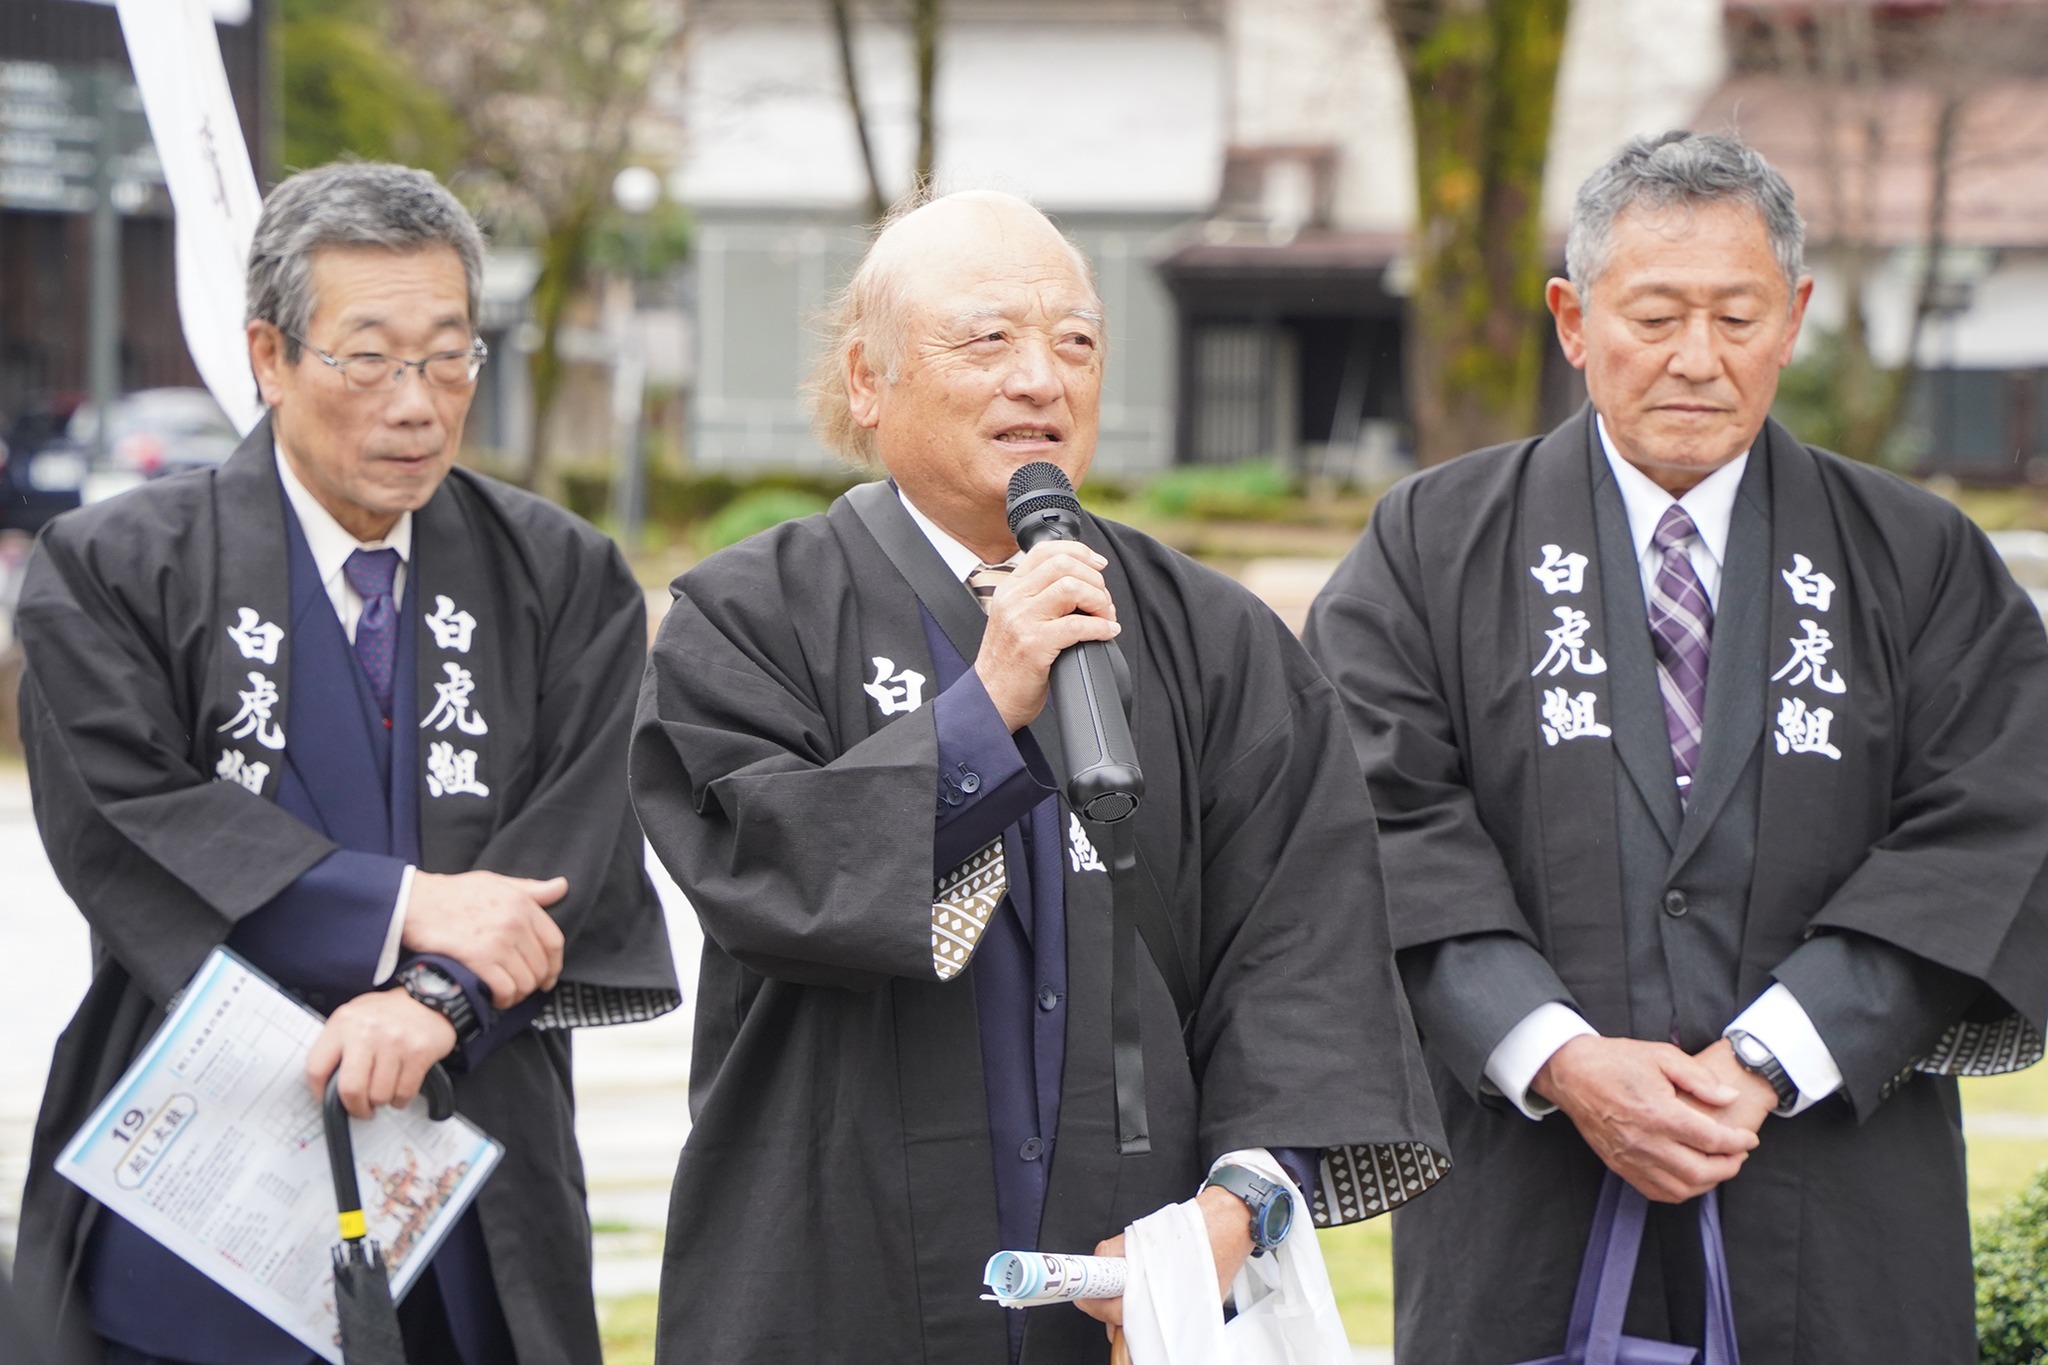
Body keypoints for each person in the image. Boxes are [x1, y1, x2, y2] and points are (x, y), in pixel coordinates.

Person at [629, 189, 1447, 1363]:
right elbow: (764, 871)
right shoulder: (746, 619)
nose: (1039, 379)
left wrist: (1231, 1212)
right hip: (834, 1271)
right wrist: (982, 713)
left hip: (1134, 1286)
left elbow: (1304, 945)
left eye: (1074, 342)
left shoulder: (1214, 638)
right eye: (987, 340)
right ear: (867, 379)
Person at [1304, 130, 2048, 1364]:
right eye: (1653, 316)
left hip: (1833, 1188)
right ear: (1571, 319)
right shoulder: (1428, 546)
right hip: (1526, 1180)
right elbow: (1372, 818)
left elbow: (1993, 824)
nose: (1695, 358)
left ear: (1792, 319)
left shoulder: (1916, 558)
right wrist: (1558, 1056)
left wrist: (1768, 1057)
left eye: (1735, 317)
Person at [13, 161, 680, 1365]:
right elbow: (121, 818)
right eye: (368, 359)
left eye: (448, 358)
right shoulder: (113, 567)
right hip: (200, 1166)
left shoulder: (561, 575)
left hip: (471, 1150)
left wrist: (436, 1001)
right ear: (269, 357)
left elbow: (579, 834)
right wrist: (402, 909)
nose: (416, 405)